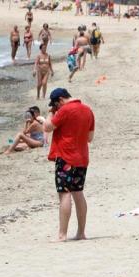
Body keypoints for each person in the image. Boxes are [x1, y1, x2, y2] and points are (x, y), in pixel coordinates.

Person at [44, 88, 94, 241]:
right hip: (82, 157)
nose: (55, 108)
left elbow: (47, 127)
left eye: (55, 105)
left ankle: (62, 234)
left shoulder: (64, 110)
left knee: (64, 194)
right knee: (78, 193)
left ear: (59, 100)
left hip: (65, 157)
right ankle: (81, 232)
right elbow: (90, 138)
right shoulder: (87, 110)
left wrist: (50, 113)